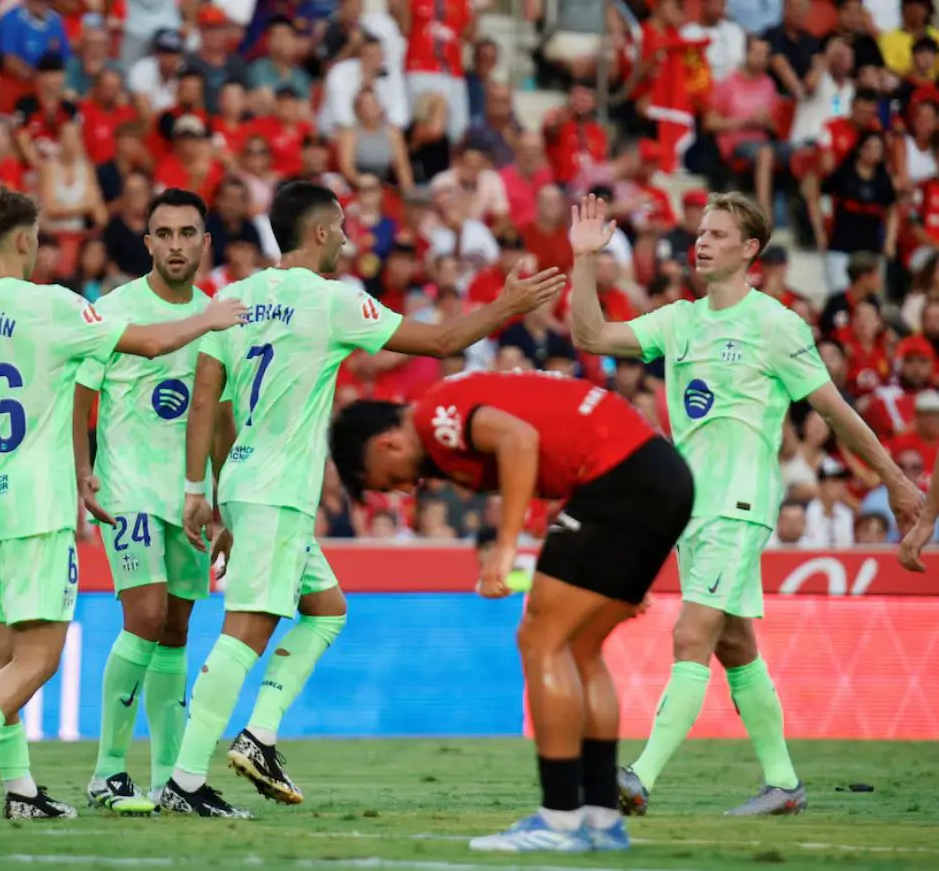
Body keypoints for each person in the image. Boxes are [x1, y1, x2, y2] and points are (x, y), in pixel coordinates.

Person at [161, 180, 567, 818]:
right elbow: (441, 342)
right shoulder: (331, 302)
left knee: (326, 608)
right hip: (278, 488)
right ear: (319, 232)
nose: (349, 240)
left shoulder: (233, 297)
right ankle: (184, 781)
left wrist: (210, 492)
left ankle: (260, 736)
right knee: (247, 629)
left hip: (243, 478)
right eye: (342, 228)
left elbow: (208, 401)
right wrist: (509, 303)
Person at [0, 187, 247, 824]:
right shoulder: (54, 306)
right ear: (25, 240)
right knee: (40, 657)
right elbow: (151, 345)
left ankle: (21, 791)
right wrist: (209, 321)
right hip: (39, 505)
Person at [567, 193, 923, 816]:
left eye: (718, 233)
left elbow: (835, 411)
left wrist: (894, 479)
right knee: (734, 646)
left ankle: (638, 777)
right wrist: (585, 261)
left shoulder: (776, 325)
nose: (701, 242)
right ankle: (783, 783)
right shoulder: (678, 320)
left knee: (691, 635)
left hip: (740, 502)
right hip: (692, 511)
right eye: (700, 231)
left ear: (750, 249)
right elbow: (590, 333)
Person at [328, 370, 694, 852]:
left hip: (621, 479)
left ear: (385, 445)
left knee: (540, 640)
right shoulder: (450, 417)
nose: (401, 489)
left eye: (387, 481)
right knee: (582, 649)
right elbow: (561, 438)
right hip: (658, 475)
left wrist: (505, 547)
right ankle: (601, 819)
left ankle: (560, 821)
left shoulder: (433, 416)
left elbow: (520, 440)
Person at [74, 189, 228, 814]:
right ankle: (108, 771)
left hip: (191, 499)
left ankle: (171, 778)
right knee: (144, 615)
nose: (175, 245)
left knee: (175, 628)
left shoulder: (218, 317)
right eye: (163, 234)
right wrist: (83, 472)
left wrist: (226, 503)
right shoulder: (112, 310)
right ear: (147, 244)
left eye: (187, 233)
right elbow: (81, 397)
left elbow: (219, 418)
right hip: (128, 491)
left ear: (204, 242)